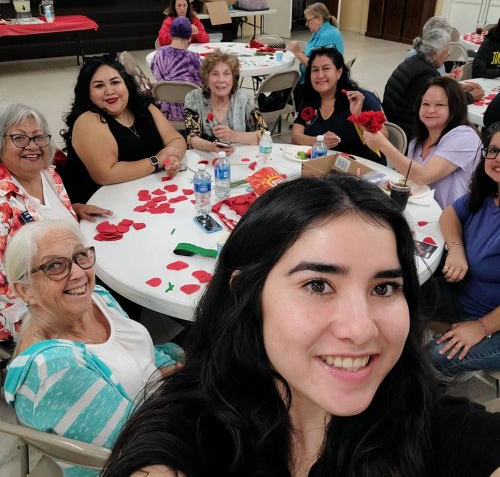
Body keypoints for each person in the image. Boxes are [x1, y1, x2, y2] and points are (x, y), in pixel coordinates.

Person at [101, 173, 500, 477]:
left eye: (384, 287)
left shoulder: (440, 429)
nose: (361, 330)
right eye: (318, 284)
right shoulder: (186, 430)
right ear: (246, 294)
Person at [3, 219, 184, 476]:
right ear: (25, 291)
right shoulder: (54, 371)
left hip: (160, 404)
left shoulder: (96, 297)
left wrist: (166, 372)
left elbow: (142, 352)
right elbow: (132, 446)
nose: (77, 274)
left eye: (79, 256)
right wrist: (174, 389)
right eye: (54, 266)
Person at [0, 102, 111, 344]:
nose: (32, 146)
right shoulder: (2, 201)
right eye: (19, 138)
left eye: (39, 137)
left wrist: (74, 210)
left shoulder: (48, 174)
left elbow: (46, 218)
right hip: (31, 308)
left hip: (73, 279)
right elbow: (7, 289)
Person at [427, 122, 500, 380]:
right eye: (493, 150)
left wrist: (481, 328)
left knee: (432, 358)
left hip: (493, 321)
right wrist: (456, 248)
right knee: (403, 299)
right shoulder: (488, 194)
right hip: (465, 297)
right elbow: (450, 214)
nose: (497, 159)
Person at [60, 57, 186, 204]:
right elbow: (106, 174)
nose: (110, 91)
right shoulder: (88, 120)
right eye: (99, 86)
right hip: (100, 204)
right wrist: (157, 160)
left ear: (126, 84)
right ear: (87, 92)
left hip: (143, 194)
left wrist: (172, 157)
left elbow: (176, 140)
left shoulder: (144, 108)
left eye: (115, 82)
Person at [365, 77, 481, 208]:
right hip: (421, 209)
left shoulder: (464, 137)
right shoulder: (418, 140)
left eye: (440, 104)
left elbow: (423, 176)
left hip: (451, 220)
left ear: (455, 108)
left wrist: (383, 145)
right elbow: (408, 179)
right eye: (425, 104)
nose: (430, 110)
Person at [292, 45, 387, 164]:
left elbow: (384, 138)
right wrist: (318, 141)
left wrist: (358, 117)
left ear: (339, 72)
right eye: (315, 70)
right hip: (325, 166)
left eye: (326, 68)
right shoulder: (311, 98)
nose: (320, 75)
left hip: (363, 167)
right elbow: (295, 137)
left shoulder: (359, 99)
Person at [184, 51, 267, 153]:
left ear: (233, 78)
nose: (221, 80)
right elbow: (191, 138)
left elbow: (264, 135)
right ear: (206, 78)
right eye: (215, 74)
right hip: (205, 159)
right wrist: (211, 147)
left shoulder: (245, 98)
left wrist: (233, 135)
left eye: (226, 74)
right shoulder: (194, 98)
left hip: (240, 158)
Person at [383, 28, 451, 139]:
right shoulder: (428, 74)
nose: (447, 56)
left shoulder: (415, 60)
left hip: (392, 121)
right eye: (446, 52)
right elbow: (440, 104)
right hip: (406, 131)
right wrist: (470, 97)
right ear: (434, 53)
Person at [288, 2, 344, 106]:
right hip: (310, 79)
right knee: (284, 89)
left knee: (283, 91)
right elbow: (311, 54)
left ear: (319, 19)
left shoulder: (329, 35)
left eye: (308, 21)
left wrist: (298, 52)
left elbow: (315, 66)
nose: (306, 24)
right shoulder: (318, 33)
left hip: (320, 83)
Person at [151, 16, 202, 122]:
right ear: (189, 37)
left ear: (171, 34)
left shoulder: (159, 53)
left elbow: (154, 72)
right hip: (191, 113)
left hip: (164, 112)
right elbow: (202, 85)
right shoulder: (195, 59)